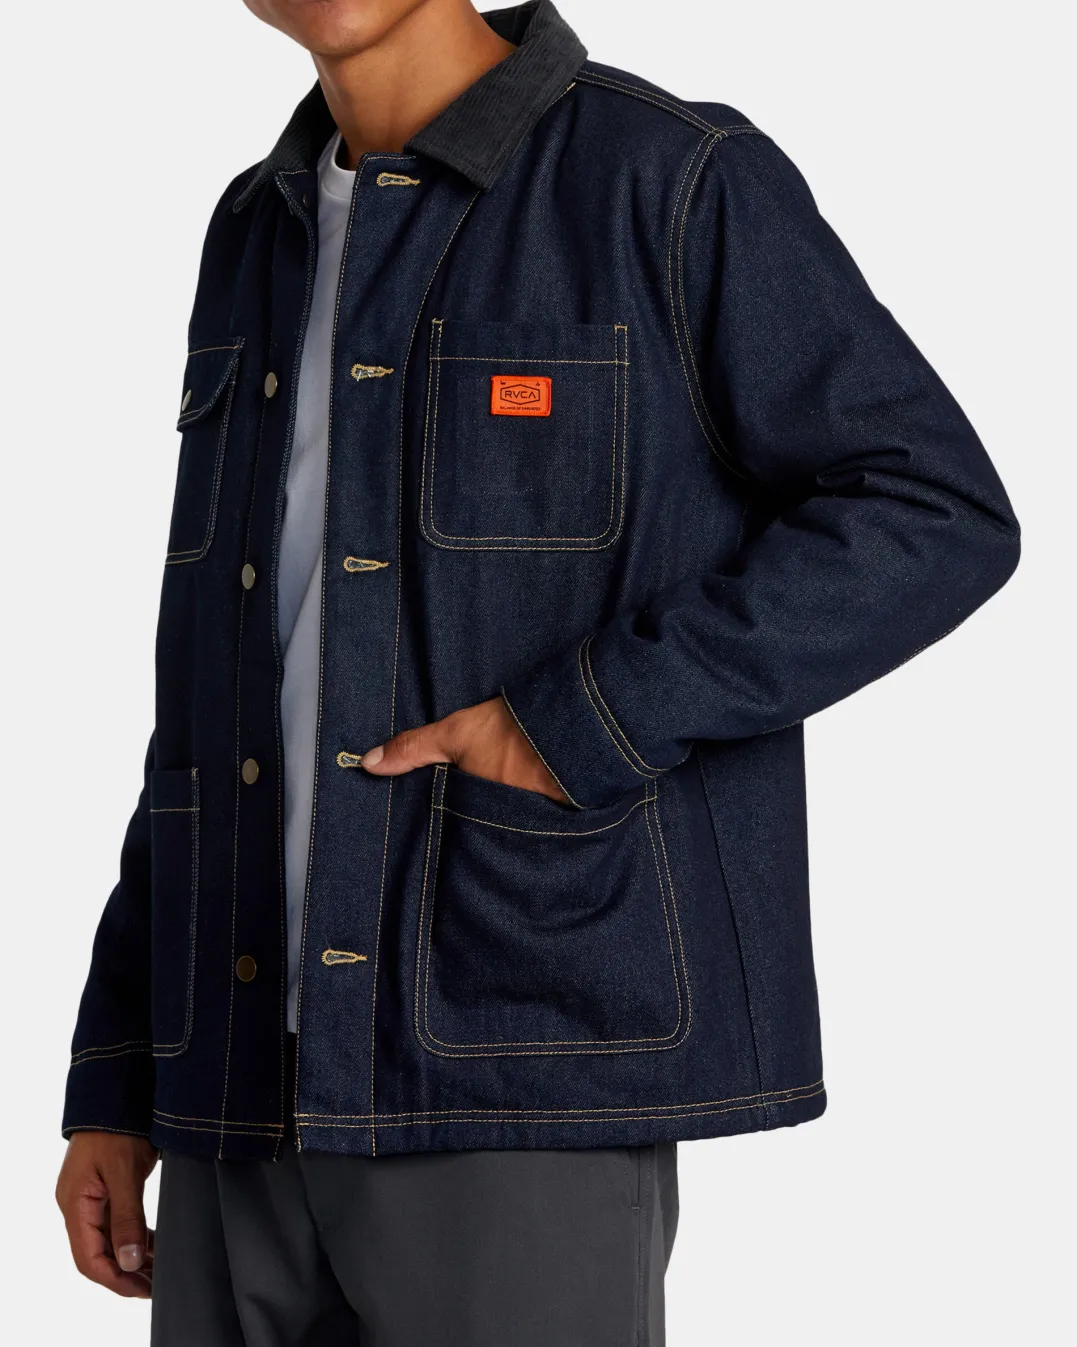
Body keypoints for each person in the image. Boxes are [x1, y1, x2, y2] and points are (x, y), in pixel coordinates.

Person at [54, 1, 1020, 1342]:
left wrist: (584, 721)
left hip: (514, 1050)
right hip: (233, 1077)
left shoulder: (665, 179)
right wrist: (116, 1070)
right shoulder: (253, 228)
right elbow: (212, 690)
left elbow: (930, 512)